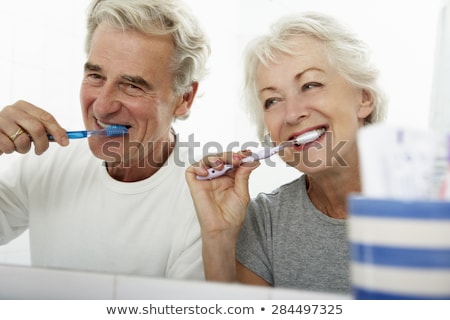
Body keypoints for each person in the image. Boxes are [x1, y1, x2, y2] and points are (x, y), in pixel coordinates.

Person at [0, 0, 210, 280]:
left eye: (133, 85)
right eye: (96, 76)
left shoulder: (205, 203)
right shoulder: (47, 161)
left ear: (184, 98)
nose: (101, 107)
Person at [186, 12, 386, 293]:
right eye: (272, 100)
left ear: (364, 98)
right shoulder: (264, 221)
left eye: (310, 85)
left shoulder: (431, 200)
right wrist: (219, 236)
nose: (292, 114)